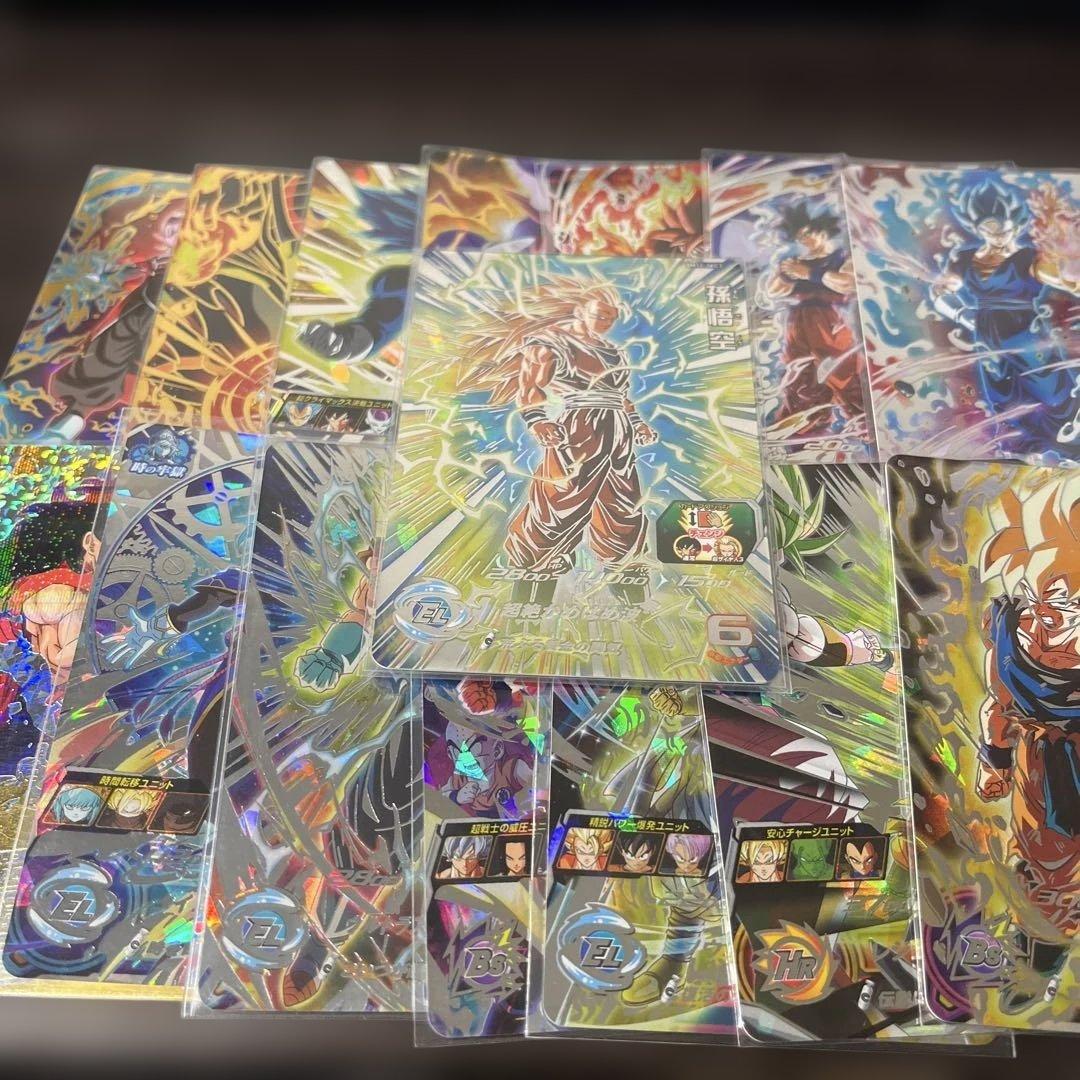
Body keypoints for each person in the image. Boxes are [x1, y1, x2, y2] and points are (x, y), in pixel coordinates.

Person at [465, 281, 657, 607]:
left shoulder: (614, 351)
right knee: (558, 506)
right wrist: (537, 420)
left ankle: (632, 595)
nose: (605, 323)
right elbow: (530, 387)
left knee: (624, 509)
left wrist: (637, 423)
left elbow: (621, 397)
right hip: (579, 430)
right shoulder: (552, 343)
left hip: (619, 435)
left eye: (611, 318)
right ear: (580, 310)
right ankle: (531, 595)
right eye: (600, 315)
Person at [975, 474, 1080, 1010]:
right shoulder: (1012, 646)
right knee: (1041, 868)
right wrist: (993, 760)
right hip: (1041, 769)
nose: (1043, 628)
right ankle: (1039, 957)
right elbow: (999, 708)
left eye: (1065, 610)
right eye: (1037, 605)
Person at [931, 177, 1079, 456]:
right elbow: (939, 292)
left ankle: (1069, 446)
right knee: (1005, 399)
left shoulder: (1028, 258)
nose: (998, 235)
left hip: (1027, 335)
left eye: (1004, 228)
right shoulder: (964, 259)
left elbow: (1063, 279)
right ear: (976, 227)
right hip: (988, 338)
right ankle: (1027, 450)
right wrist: (962, 314)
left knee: (1051, 394)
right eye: (989, 228)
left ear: (1016, 224)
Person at [765, 202, 862, 438]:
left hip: (832, 322)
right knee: (800, 382)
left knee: (844, 378)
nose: (805, 240)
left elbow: (848, 283)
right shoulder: (797, 261)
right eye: (800, 237)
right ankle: (803, 435)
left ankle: (863, 429)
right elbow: (773, 291)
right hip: (798, 324)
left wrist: (810, 273)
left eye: (808, 233)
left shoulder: (842, 257)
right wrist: (787, 274)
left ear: (822, 229)